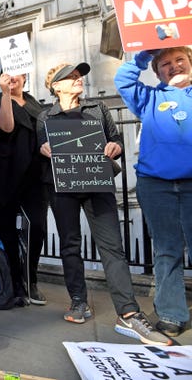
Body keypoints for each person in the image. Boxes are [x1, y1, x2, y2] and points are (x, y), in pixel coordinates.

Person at [38, 62, 171, 346]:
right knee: (69, 244)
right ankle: (78, 301)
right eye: (70, 77)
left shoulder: (98, 109)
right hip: (63, 187)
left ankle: (128, 312)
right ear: (55, 87)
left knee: (112, 246)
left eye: (78, 76)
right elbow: (40, 146)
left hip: (97, 183)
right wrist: (43, 147)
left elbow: (115, 139)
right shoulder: (45, 117)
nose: (77, 80)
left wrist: (116, 147)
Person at [114, 47, 192, 338]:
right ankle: (172, 313)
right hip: (156, 184)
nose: (173, 67)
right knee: (166, 249)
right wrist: (143, 55)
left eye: (179, 60)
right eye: (165, 64)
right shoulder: (150, 98)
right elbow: (123, 80)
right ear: (157, 72)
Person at [0, 72, 49, 306]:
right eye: (8, 73)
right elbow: (6, 127)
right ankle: (13, 283)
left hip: (33, 174)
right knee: (4, 229)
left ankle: (30, 279)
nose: (13, 78)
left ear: (26, 77)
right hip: (1, 173)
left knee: (37, 227)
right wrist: (6, 94)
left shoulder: (36, 105)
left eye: (18, 74)